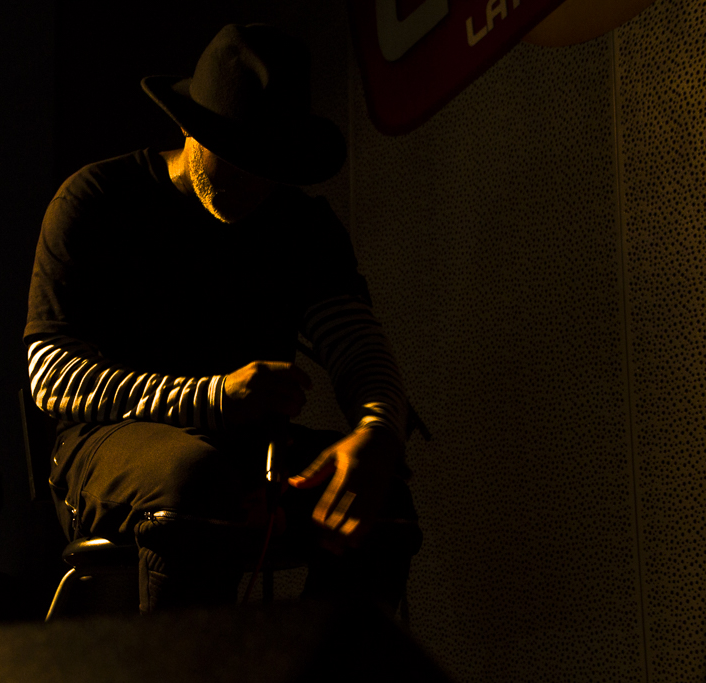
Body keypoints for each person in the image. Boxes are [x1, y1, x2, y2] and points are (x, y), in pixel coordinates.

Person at [25, 23, 421, 615]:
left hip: (242, 454)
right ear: (188, 127)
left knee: (383, 498)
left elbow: (357, 346)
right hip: (105, 448)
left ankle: (317, 660)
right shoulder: (98, 199)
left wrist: (378, 431)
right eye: (235, 156)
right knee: (197, 479)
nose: (253, 182)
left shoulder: (301, 226)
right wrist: (212, 398)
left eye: (271, 163)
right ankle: (199, 661)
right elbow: (52, 375)